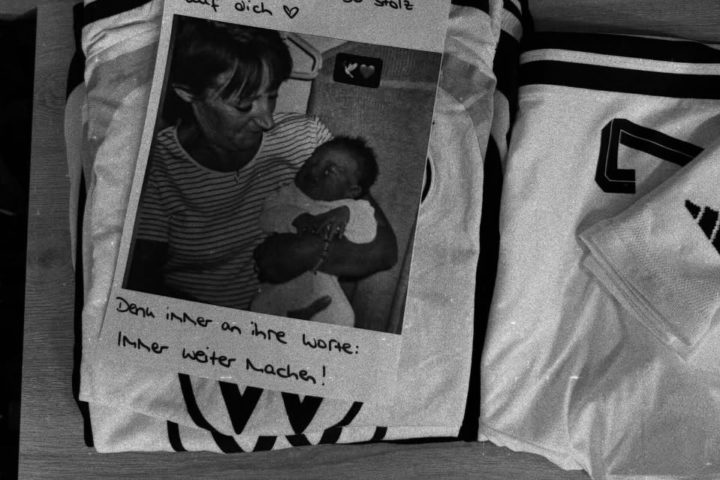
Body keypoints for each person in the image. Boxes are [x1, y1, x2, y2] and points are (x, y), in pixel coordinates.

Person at [126, 17, 397, 312]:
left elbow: (383, 249)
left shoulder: (308, 137)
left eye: (272, 95)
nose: (267, 120)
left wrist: (306, 253)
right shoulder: (156, 165)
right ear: (187, 92)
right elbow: (140, 288)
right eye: (244, 105)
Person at [250, 136, 380, 326]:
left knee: (342, 317)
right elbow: (267, 217)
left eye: (329, 171)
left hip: (322, 290)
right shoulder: (289, 194)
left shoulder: (350, 206)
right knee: (261, 310)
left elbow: (368, 232)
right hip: (277, 289)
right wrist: (298, 218)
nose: (313, 171)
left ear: (352, 191)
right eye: (311, 162)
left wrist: (346, 214)